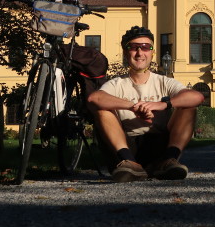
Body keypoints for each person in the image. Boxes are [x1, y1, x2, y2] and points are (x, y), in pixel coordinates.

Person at [87, 26, 204, 182]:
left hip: (160, 146)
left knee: (188, 107)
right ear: (125, 52)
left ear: (152, 53)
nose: (140, 53)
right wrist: (132, 106)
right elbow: (94, 98)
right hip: (126, 149)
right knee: (102, 110)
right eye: (134, 47)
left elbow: (196, 96)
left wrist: (162, 104)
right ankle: (130, 164)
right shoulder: (117, 84)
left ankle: (169, 161)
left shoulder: (163, 82)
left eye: (145, 47)